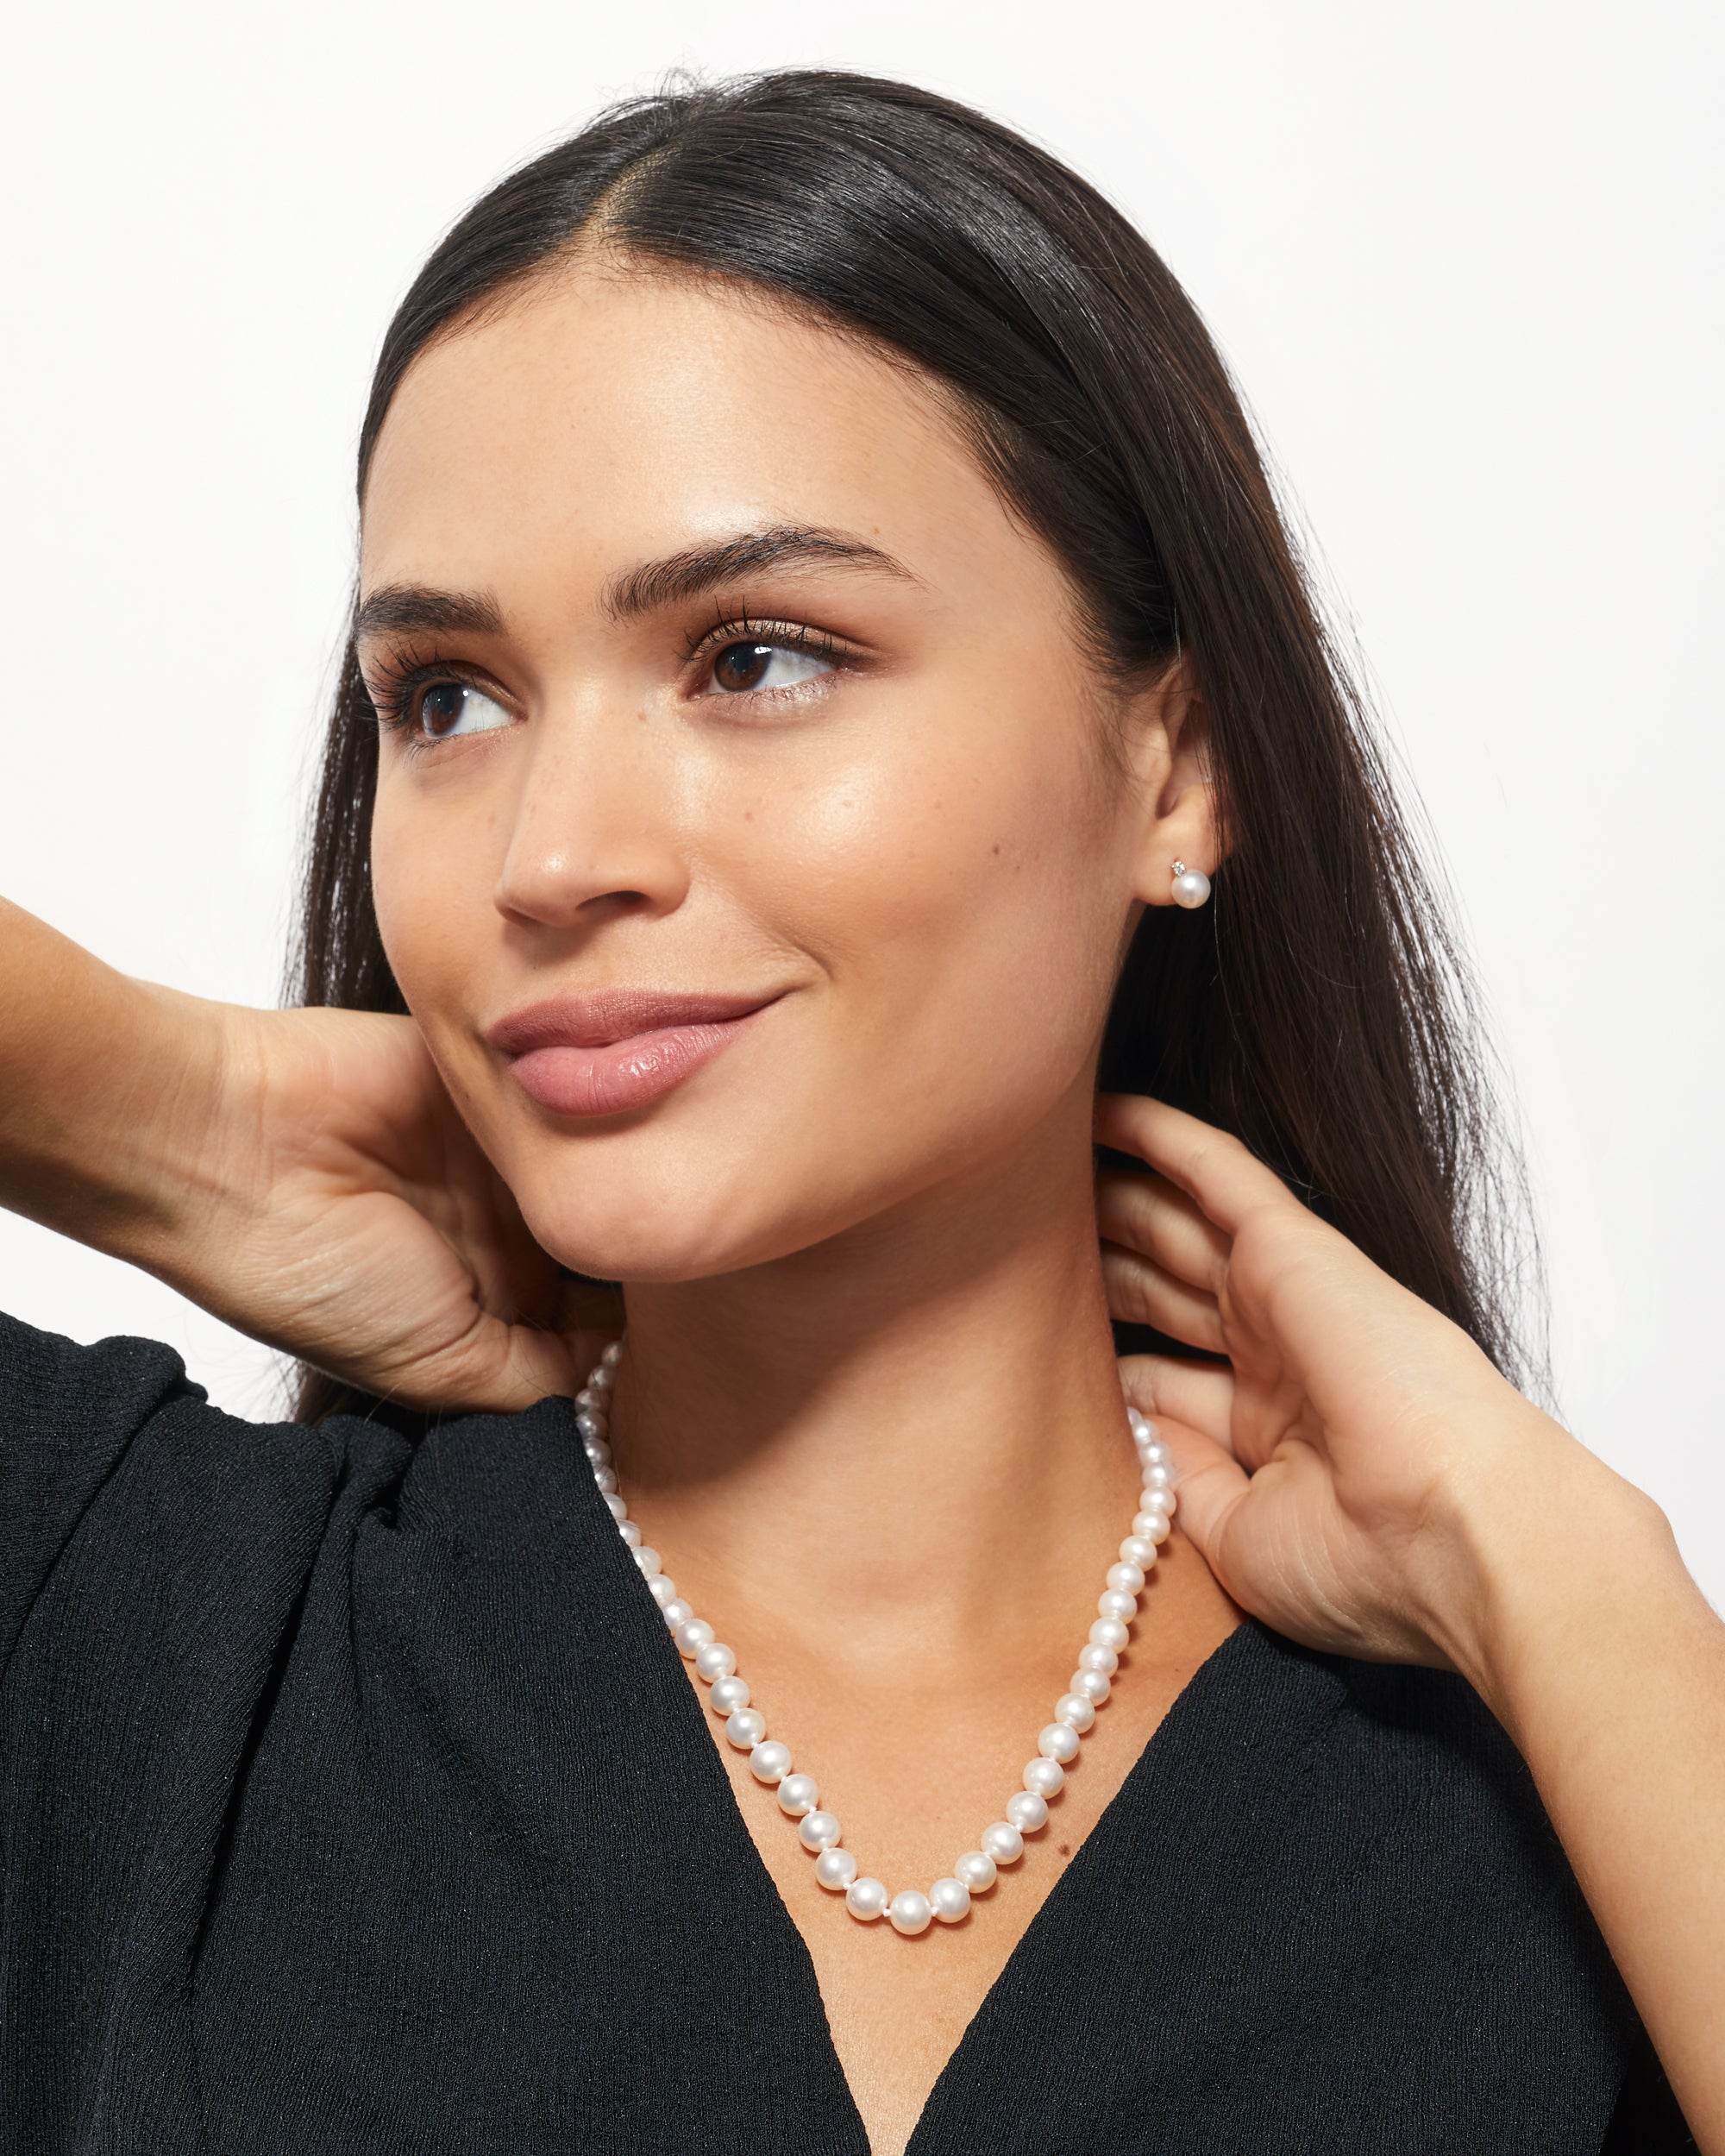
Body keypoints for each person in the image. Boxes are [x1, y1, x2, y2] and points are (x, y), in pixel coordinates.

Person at [1, 68, 1718, 2156]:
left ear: (1175, 766)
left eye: (761, 655)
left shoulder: (1576, 1796)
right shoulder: (128, 1617)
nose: (553, 853)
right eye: (445, 697)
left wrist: (1567, 1573)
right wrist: (154, 1109)